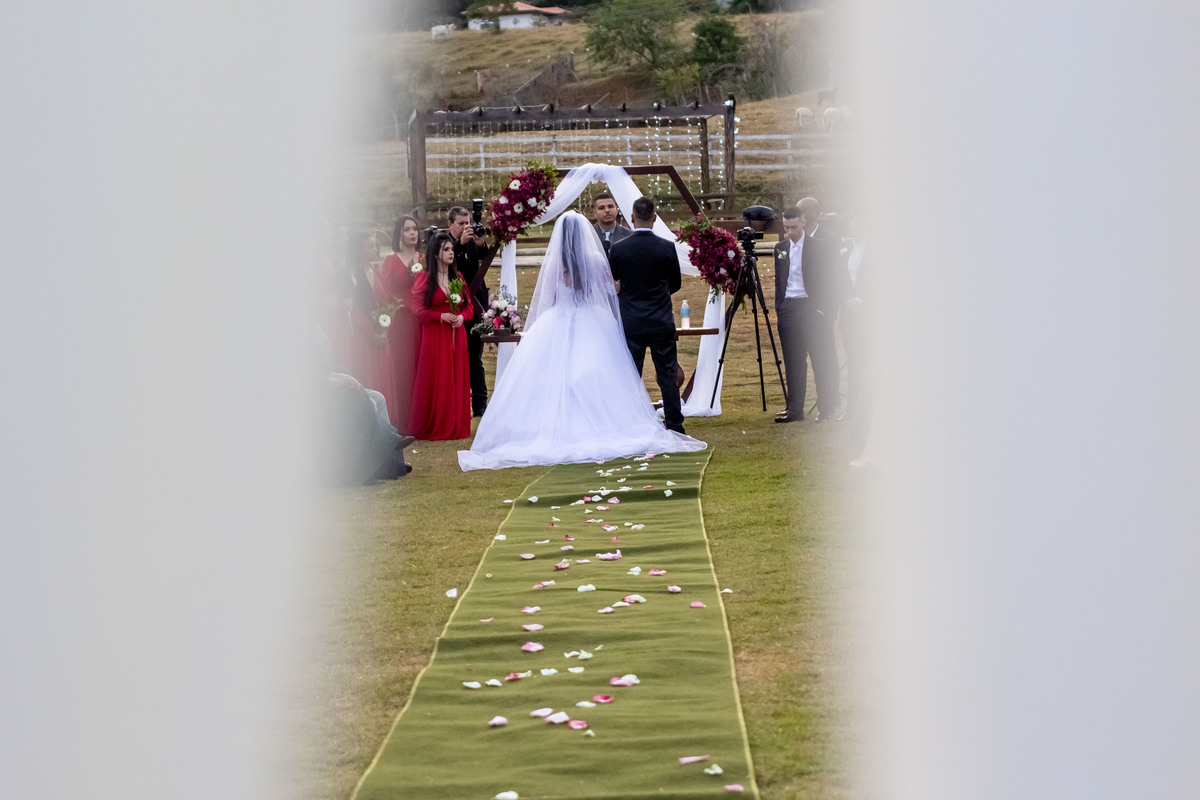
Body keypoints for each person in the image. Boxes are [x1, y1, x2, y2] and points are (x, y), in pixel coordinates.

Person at [458, 211, 705, 471]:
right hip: (592, 320)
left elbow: (549, 297)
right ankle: (605, 424)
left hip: (558, 319)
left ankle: (552, 425)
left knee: (554, 375)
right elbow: (608, 291)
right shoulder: (595, 259)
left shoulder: (555, 262)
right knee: (596, 374)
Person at [608, 197, 688, 434]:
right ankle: (675, 424)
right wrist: (658, 295)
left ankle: (629, 424)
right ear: (654, 218)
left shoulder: (619, 248)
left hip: (631, 319)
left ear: (632, 218)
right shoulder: (666, 247)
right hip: (660, 319)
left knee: (631, 374)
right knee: (667, 373)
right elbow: (675, 283)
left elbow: (615, 279)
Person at [773, 200, 849, 423]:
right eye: (786, 228)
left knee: (820, 359)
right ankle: (794, 408)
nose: (790, 232)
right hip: (788, 309)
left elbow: (829, 282)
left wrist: (822, 309)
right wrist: (780, 306)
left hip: (811, 308)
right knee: (793, 361)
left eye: (794, 227)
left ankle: (826, 407)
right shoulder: (780, 248)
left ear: (803, 222)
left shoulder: (819, 247)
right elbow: (779, 280)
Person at [409, 231, 474, 440]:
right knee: (438, 377)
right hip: (435, 335)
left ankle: (456, 422)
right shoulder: (424, 278)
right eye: (446, 249)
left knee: (456, 376)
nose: (451, 253)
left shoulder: (458, 277)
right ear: (436, 253)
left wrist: (462, 317)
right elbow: (417, 309)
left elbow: (469, 307)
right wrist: (440, 316)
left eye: (452, 249)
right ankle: (437, 422)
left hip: (457, 334)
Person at [346, 231, 399, 420]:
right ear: (359, 250)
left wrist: (384, 329)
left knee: (383, 379)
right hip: (364, 339)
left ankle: (387, 422)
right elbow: (356, 311)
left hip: (381, 336)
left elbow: (387, 303)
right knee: (369, 378)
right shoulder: (352, 276)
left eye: (374, 245)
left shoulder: (377, 272)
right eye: (369, 247)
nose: (374, 249)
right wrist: (372, 334)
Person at [379, 214, 422, 433]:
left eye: (414, 229)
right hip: (400, 322)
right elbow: (384, 291)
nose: (412, 233)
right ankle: (402, 420)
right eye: (407, 229)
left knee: (421, 368)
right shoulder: (390, 260)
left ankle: (420, 419)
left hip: (421, 321)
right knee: (402, 368)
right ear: (400, 234)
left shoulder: (424, 259)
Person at [448, 206, 489, 417]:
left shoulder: (472, 241)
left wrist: (481, 245)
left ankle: (480, 404)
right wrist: (459, 245)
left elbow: (483, 264)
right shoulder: (445, 243)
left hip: (475, 306)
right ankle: (456, 402)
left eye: (468, 223)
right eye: (461, 224)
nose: (465, 227)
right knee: (454, 358)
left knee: (475, 358)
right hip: (454, 306)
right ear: (450, 224)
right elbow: (445, 266)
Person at [592, 192, 631, 258]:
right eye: (601, 208)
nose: (607, 210)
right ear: (595, 213)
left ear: (616, 210)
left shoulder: (629, 235)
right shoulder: (587, 234)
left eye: (610, 206)